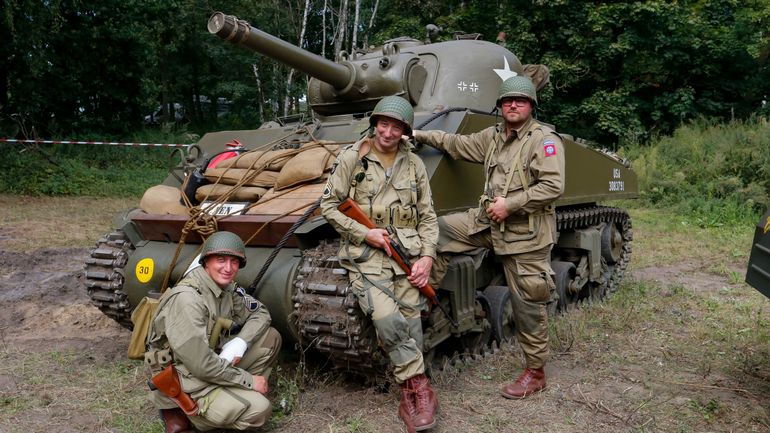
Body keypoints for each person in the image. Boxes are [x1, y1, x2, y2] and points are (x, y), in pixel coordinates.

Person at [413, 75, 565, 399]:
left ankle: (535, 373)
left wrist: (509, 205)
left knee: (528, 304)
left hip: (526, 233)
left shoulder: (544, 140)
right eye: (507, 101)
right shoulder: (494, 137)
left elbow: (553, 186)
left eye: (520, 101)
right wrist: (419, 134)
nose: (513, 105)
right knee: (437, 231)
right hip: (488, 222)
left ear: (531, 106)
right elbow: (456, 144)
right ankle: (426, 300)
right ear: (499, 106)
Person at [320, 95, 440, 431]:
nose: (388, 132)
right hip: (368, 253)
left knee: (412, 320)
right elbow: (329, 205)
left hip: (408, 252)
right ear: (374, 124)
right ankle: (420, 386)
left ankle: (409, 395)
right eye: (383, 124)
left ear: (404, 130)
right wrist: (364, 234)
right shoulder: (352, 159)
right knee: (386, 317)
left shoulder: (414, 164)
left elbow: (428, 215)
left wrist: (427, 256)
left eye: (396, 126)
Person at [144, 231, 282, 432]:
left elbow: (260, 313)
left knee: (271, 337)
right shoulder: (188, 300)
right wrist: (249, 381)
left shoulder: (225, 288)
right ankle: (185, 412)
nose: (228, 268)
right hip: (183, 376)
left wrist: (240, 343)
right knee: (259, 410)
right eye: (221, 260)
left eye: (234, 262)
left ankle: (228, 393)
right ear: (206, 262)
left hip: (209, 360)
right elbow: (201, 366)